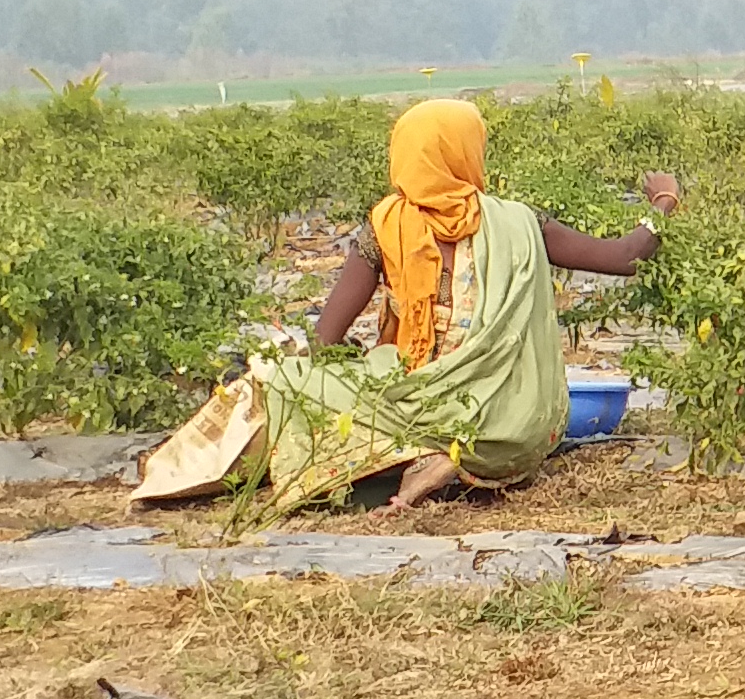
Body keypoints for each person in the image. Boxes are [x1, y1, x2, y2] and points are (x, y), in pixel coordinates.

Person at [135, 98, 677, 515]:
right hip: (506, 424)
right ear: (465, 152)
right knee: (491, 426)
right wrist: (664, 202)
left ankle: (180, 473)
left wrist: (352, 364)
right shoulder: (518, 223)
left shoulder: (386, 225)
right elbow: (626, 257)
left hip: (407, 402)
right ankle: (454, 459)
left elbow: (324, 341)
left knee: (280, 383)